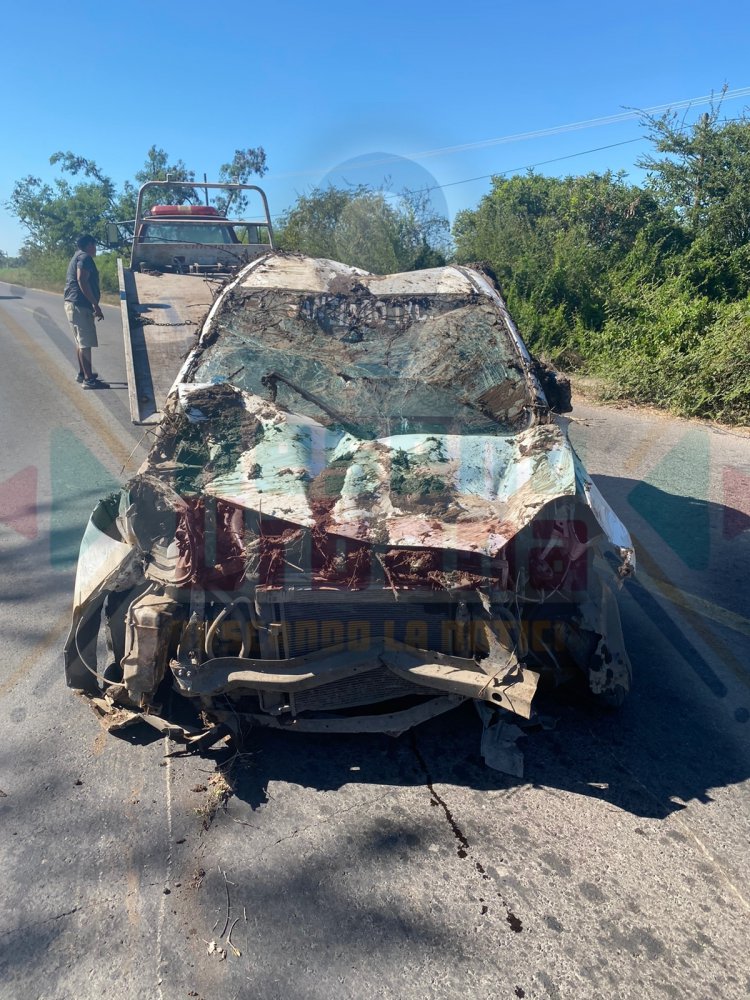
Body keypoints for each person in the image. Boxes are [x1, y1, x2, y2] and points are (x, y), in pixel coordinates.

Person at [64, 235, 109, 389]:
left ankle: (83, 373)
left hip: (72, 304)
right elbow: (81, 280)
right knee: (85, 343)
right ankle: (89, 380)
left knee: (80, 342)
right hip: (80, 305)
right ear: (89, 244)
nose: (96, 248)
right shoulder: (85, 257)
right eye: (95, 245)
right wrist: (95, 304)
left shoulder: (76, 256)